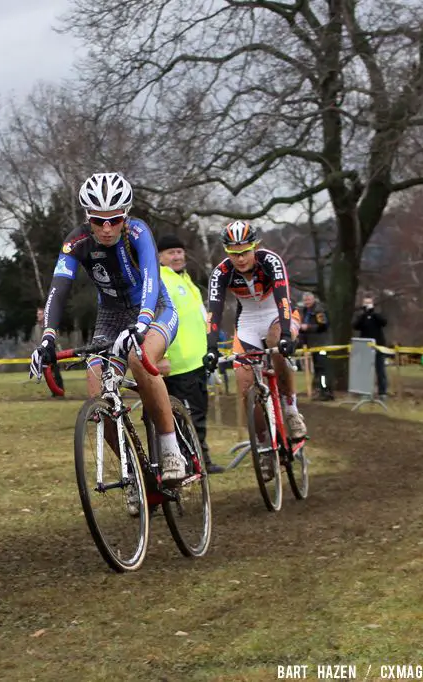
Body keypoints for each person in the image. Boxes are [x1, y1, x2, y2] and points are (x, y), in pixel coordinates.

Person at [28, 172, 184, 481]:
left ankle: (170, 450)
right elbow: (58, 290)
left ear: (125, 215)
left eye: (114, 219)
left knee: (140, 359)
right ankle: (134, 473)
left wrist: (142, 323)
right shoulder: (77, 241)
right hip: (111, 316)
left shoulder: (138, 232)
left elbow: (152, 278)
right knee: (95, 384)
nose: (108, 228)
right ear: (89, 218)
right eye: (99, 221)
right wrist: (47, 338)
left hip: (154, 309)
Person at [202, 221, 307, 445]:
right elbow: (214, 312)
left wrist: (287, 334)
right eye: (234, 253)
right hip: (248, 322)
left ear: (254, 246)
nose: (240, 259)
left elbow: (284, 300)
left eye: (245, 252)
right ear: (226, 251)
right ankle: (263, 444)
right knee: (244, 382)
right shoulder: (221, 273)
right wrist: (211, 347)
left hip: (278, 315)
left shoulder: (270, 261)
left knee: (276, 342)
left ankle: (291, 410)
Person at [157, 234, 223, 474]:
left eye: (179, 251)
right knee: (187, 416)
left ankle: (201, 459)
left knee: (198, 413)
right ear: (159, 257)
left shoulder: (185, 279)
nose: (176, 256)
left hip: (198, 361)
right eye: (170, 253)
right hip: (178, 363)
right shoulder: (161, 280)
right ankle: (192, 461)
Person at [298, 292, 334, 401]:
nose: (307, 302)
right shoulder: (305, 311)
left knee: (323, 369)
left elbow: (323, 325)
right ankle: (319, 390)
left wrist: (308, 327)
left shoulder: (319, 310)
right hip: (312, 344)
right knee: (317, 369)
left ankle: (326, 392)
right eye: (305, 300)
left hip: (322, 343)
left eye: (309, 300)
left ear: (313, 299)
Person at [353, 294, 389, 399]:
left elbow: (384, 322)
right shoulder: (361, 316)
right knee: (365, 370)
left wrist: (372, 313)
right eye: (365, 303)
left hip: (378, 345)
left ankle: (382, 392)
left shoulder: (377, 315)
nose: (367, 305)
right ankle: (366, 391)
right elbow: (356, 326)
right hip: (365, 346)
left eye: (369, 303)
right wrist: (364, 314)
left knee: (380, 370)